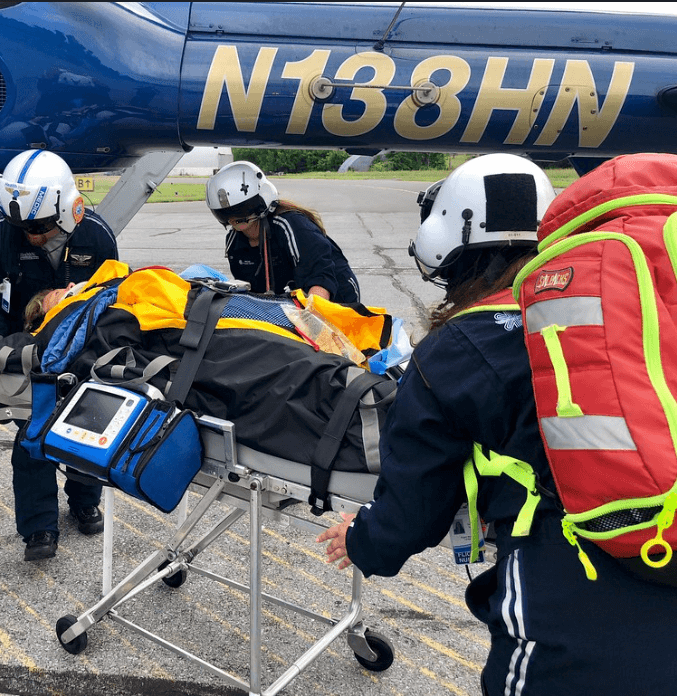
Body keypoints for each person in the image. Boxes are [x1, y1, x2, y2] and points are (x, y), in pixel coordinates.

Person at [316, 153, 677, 695]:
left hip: (575, 606)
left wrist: (363, 540)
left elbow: (412, 510)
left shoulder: (456, 348)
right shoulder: (624, 312)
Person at [0, 149, 118, 561]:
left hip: (83, 348)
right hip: (27, 351)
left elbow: (112, 297)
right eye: (23, 228)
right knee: (32, 435)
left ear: (66, 210)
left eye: (40, 227)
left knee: (88, 425)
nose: (32, 236)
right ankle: (39, 527)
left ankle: (84, 500)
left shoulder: (96, 236)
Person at [205, 161, 360, 303]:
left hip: (337, 297)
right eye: (227, 215)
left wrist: (311, 316)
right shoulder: (234, 242)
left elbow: (321, 278)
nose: (234, 221)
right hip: (289, 304)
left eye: (241, 212)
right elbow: (252, 293)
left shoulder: (292, 225)